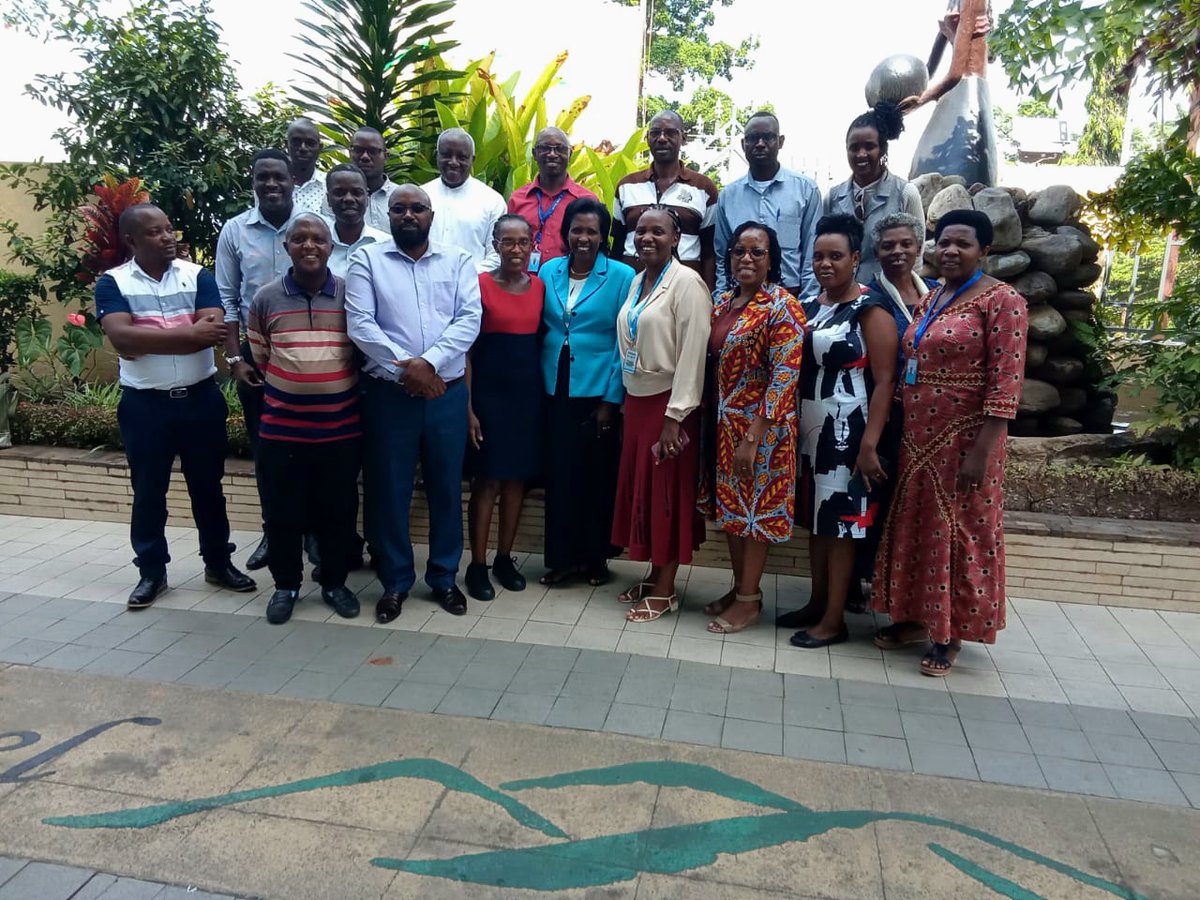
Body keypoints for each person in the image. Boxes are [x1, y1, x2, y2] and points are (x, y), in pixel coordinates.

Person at [872, 209, 1027, 676]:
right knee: (920, 529)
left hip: (966, 442)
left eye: (962, 243)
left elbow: (1006, 385)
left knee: (961, 534)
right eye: (944, 242)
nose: (951, 251)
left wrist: (982, 451)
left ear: (985, 250)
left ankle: (951, 633)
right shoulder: (933, 296)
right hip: (919, 439)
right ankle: (917, 618)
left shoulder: (1003, 302)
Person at [94, 204, 255, 608]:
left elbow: (214, 331)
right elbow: (122, 341)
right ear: (131, 240)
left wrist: (144, 336)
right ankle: (152, 573)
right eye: (155, 232)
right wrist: (187, 333)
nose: (168, 237)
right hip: (145, 407)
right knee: (149, 491)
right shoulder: (112, 284)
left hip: (201, 400)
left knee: (208, 489)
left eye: (168, 229)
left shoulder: (197, 275)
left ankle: (218, 563)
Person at [346, 184, 482, 623]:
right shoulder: (366, 260)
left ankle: (444, 578)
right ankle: (395, 582)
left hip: (446, 393)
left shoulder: (459, 260)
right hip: (390, 396)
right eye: (400, 208)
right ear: (387, 214)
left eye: (417, 208)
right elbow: (360, 324)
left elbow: (469, 319)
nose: (409, 215)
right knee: (390, 490)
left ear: (431, 215)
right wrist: (411, 371)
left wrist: (430, 364)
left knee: (446, 488)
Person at [246, 214, 362, 625]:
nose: (309, 245)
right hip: (282, 430)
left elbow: (361, 353)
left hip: (340, 430)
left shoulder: (351, 296)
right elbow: (261, 356)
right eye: (300, 239)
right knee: (282, 512)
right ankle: (286, 585)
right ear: (287, 247)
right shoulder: (265, 299)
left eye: (318, 239)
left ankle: (334, 582)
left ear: (332, 247)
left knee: (338, 510)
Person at [789, 214, 898, 649]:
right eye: (818, 257)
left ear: (855, 258)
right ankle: (817, 603)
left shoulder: (869, 308)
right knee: (817, 521)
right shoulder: (812, 306)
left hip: (846, 428)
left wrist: (869, 444)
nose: (825, 264)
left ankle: (835, 619)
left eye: (835, 256)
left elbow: (886, 380)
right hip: (810, 427)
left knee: (840, 525)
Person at [698, 222, 806, 633]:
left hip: (763, 431)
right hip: (723, 427)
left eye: (757, 252)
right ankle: (741, 588)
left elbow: (784, 376)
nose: (746, 258)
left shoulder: (782, 305)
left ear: (771, 259)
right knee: (731, 511)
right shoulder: (722, 302)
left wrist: (753, 437)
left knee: (755, 511)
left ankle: (748, 601)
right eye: (739, 250)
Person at [611, 205, 711, 623]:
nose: (646, 237)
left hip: (670, 404)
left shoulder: (687, 283)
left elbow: (693, 352)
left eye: (658, 231)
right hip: (638, 401)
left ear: (676, 239)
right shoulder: (638, 281)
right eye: (640, 230)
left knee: (667, 494)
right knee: (645, 492)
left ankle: (667, 589)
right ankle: (654, 575)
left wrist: (676, 415)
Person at [538, 198, 635, 588]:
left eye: (592, 231)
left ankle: (595, 560)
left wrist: (612, 399)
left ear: (603, 236)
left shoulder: (622, 276)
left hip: (597, 389)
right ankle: (562, 560)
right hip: (554, 384)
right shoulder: (548, 270)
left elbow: (624, 340)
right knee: (560, 476)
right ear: (566, 234)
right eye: (577, 229)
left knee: (596, 477)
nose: (583, 237)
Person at [216, 148, 297, 571]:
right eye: (262, 177)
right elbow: (227, 300)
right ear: (253, 181)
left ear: (292, 181)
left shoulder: (311, 227)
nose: (270, 185)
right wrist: (234, 358)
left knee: (318, 448)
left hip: (312, 353)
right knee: (268, 449)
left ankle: (315, 535)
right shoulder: (235, 230)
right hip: (257, 354)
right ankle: (274, 531)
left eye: (278, 178)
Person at [463, 215, 545, 601]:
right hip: (487, 398)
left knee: (517, 482)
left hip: (526, 398)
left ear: (533, 246)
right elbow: (466, 352)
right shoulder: (478, 286)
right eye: (508, 242)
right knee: (487, 482)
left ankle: (504, 558)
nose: (516, 250)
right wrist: (468, 408)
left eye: (523, 242)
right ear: (495, 244)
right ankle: (477, 564)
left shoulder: (541, 287)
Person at [713, 112, 821, 300]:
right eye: (753, 138)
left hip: (790, 297)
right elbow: (722, 256)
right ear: (743, 144)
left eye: (768, 137)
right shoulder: (728, 196)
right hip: (741, 299)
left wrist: (807, 303)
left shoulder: (805, 190)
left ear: (780, 141)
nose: (760, 144)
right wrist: (723, 301)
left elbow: (812, 252)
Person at [612, 110, 719, 291]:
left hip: (684, 290)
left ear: (683, 138)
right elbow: (617, 247)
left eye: (670, 133)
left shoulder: (704, 188)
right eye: (655, 133)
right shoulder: (626, 186)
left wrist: (708, 295)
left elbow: (710, 253)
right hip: (632, 289)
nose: (662, 138)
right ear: (647, 139)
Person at [823, 102, 924, 286]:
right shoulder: (833, 197)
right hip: (840, 297)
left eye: (869, 146)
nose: (861, 154)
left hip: (889, 298)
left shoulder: (905, 193)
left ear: (883, 149)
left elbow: (916, 256)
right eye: (854, 147)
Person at [903, 0, 998, 187]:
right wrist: (913, 81)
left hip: (967, 94)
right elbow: (932, 62)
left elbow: (956, 73)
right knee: (928, 179)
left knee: (960, 178)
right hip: (957, 91)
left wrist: (920, 101)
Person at [507, 127, 598, 264]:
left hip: (567, 281)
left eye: (560, 149)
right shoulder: (518, 199)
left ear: (570, 154)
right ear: (534, 154)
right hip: (523, 282)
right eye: (545, 148)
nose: (552, 154)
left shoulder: (587, 201)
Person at [422, 128, 507, 272]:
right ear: (437, 156)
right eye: (447, 155)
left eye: (461, 157)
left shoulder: (492, 201)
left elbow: (496, 256)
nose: (453, 162)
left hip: (472, 288)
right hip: (423, 285)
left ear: (472, 160)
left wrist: (464, 279)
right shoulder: (421, 196)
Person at [324, 163, 391, 277]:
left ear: (367, 197)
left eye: (356, 193)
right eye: (340, 193)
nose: (349, 199)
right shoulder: (316, 247)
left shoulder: (387, 245)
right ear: (328, 199)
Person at [348, 127, 396, 232]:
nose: (365, 157)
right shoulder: (339, 199)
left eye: (373, 151)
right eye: (358, 150)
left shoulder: (401, 197)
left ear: (386, 156)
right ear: (350, 153)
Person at [286, 117, 328, 214]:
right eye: (296, 142)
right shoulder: (275, 185)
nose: (303, 148)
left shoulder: (329, 185)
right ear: (286, 145)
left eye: (310, 143)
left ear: (320, 148)